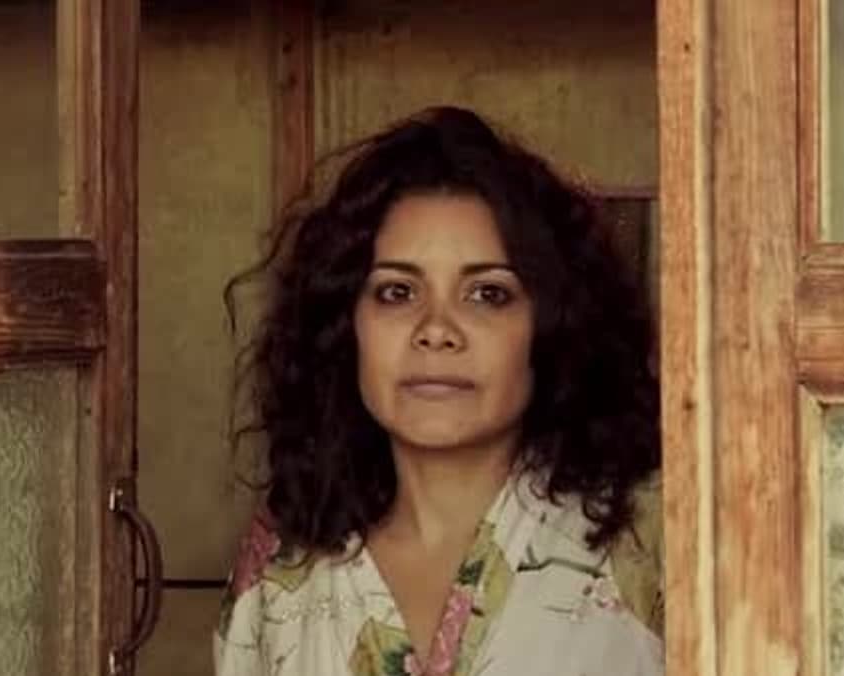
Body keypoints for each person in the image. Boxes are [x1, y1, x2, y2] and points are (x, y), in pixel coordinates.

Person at [215, 106, 663, 676]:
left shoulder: (654, 537)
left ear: (551, 325)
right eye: (397, 292)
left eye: (487, 294)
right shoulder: (283, 567)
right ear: (345, 327)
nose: (436, 330)